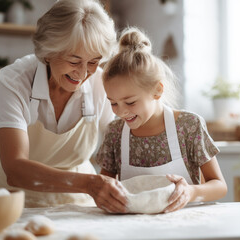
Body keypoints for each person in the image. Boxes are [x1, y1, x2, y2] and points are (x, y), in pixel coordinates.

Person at [0, 0, 128, 212]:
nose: (82, 74)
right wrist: (90, 184)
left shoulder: (100, 84)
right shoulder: (14, 82)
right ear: (49, 51)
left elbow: (119, 151)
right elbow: (15, 169)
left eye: (93, 62)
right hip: (11, 204)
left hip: (78, 204)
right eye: (73, 61)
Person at [96, 27, 228, 213]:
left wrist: (189, 192)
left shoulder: (189, 126)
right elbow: (105, 188)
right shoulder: (115, 132)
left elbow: (220, 186)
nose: (121, 112)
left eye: (130, 102)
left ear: (157, 90)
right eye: (113, 103)